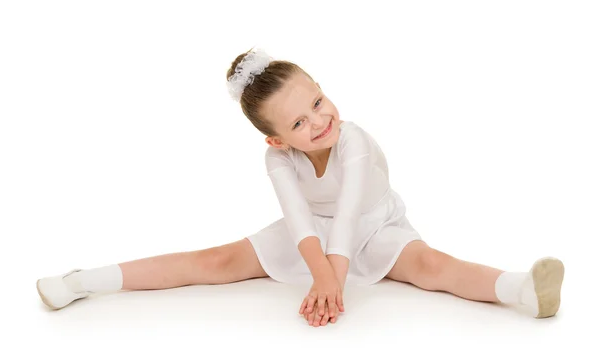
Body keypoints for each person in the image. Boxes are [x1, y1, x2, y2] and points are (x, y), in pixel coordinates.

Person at [36, 47, 565, 327]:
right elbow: (298, 222)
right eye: (297, 123)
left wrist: (328, 285)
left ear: (323, 91)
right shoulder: (279, 164)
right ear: (274, 139)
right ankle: (86, 280)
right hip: (316, 236)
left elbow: (354, 209)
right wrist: (325, 281)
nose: (317, 122)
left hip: (374, 225)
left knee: (430, 267)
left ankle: (522, 289)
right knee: (217, 261)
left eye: (317, 102)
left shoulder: (353, 141)